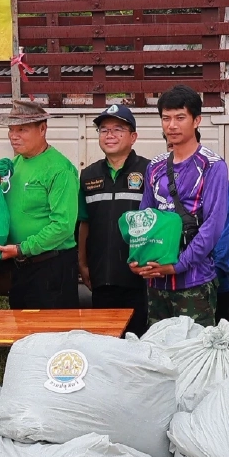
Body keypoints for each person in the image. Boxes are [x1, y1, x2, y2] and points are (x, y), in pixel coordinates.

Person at [133, 85, 229, 326]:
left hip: (195, 281)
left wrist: (178, 265)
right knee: (157, 345)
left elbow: (213, 227)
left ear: (197, 120)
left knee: (195, 346)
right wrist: (138, 259)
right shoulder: (155, 166)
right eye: (166, 118)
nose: (172, 126)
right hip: (156, 280)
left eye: (180, 118)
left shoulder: (213, 165)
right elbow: (144, 218)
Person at [0, 99, 80, 310]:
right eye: (11, 129)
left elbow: (63, 226)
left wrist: (22, 248)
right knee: (22, 324)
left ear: (42, 129)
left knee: (51, 328)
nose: (13, 136)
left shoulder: (59, 169)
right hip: (20, 265)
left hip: (51, 267)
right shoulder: (16, 163)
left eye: (22, 129)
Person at [77, 103, 149, 334]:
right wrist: (83, 264)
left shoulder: (149, 171)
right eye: (104, 130)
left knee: (137, 339)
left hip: (139, 277)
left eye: (118, 129)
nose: (110, 135)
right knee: (104, 340)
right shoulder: (89, 175)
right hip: (101, 276)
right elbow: (85, 223)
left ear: (133, 137)